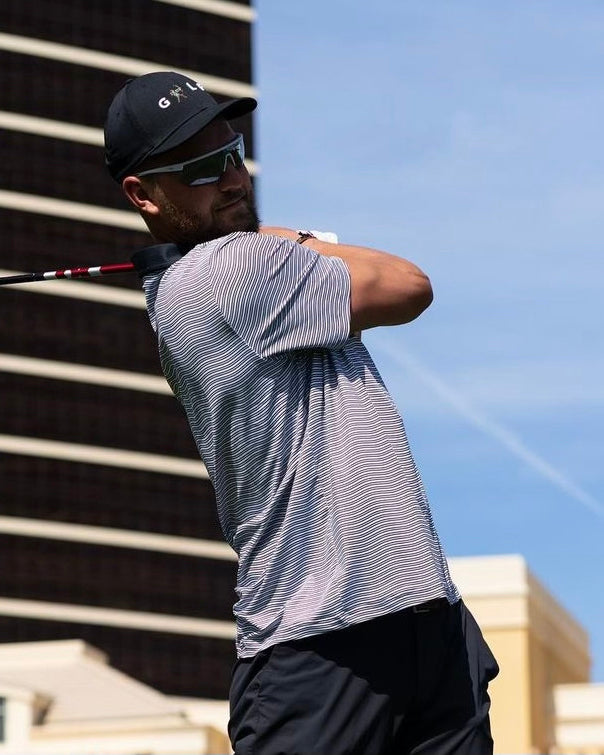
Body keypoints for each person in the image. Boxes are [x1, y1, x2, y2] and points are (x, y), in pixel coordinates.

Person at [104, 71, 499, 755]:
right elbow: (409, 285)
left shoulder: (233, 268)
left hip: (425, 613)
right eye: (200, 169)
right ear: (144, 194)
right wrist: (295, 236)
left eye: (232, 154)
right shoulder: (228, 271)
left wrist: (275, 240)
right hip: (319, 645)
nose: (232, 180)